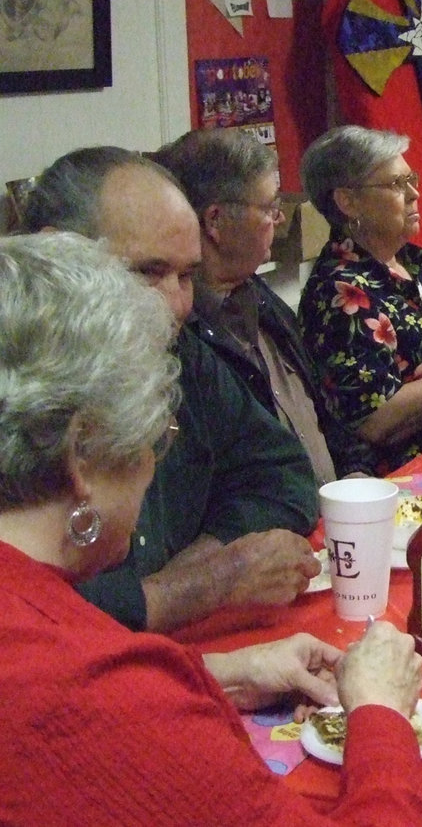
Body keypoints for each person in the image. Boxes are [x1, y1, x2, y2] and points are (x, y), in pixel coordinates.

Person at [0, 232, 422, 826]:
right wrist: (381, 716)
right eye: (157, 439)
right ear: (83, 457)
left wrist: (219, 675)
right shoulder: (88, 693)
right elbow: (88, 714)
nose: (155, 463)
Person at [22, 147, 320, 632]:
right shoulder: (18, 397)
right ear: (57, 258)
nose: (176, 305)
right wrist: (200, 587)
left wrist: (198, 572)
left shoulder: (177, 353)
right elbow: (33, 624)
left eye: (186, 276)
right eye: (147, 272)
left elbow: (282, 475)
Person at [154, 128, 372, 484]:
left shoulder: (260, 297)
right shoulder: (182, 335)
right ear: (215, 221)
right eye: (270, 207)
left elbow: (326, 416)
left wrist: (355, 471)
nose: (280, 218)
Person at [298, 126, 422, 474]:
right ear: (348, 202)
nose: (414, 193)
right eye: (396, 184)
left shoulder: (416, 263)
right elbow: (376, 421)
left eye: (411, 179)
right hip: (420, 481)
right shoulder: (341, 293)